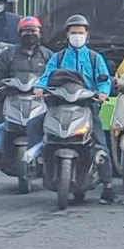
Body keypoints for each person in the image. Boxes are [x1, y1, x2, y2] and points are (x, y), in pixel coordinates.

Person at [44, 14, 116, 204]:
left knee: (100, 143)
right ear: (67, 35)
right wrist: (39, 87)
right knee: (40, 129)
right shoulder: (57, 58)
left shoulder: (94, 58)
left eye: (80, 33)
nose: (77, 36)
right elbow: (46, 76)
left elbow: (104, 79)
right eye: (73, 33)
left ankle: (108, 186)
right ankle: (35, 161)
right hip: (60, 106)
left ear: (87, 35)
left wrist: (102, 92)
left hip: (87, 107)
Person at [0, 15, 51, 180]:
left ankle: (55, 172)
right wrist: (0, 87)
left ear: (40, 33)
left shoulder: (47, 55)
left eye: (33, 31)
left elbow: (56, 75)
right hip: (13, 101)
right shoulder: (9, 54)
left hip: (40, 103)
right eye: (26, 31)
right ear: (19, 33)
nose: (30, 34)